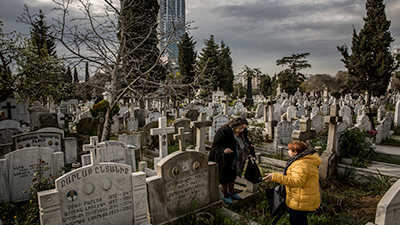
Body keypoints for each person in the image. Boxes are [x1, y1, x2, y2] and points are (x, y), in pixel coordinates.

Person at [262, 140, 321, 225]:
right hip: (302, 197)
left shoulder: (301, 164)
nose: (288, 151)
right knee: (300, 220)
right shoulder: (304, 160)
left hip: (301, 199)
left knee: (297, 221)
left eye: (289, 150)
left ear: (295, 152)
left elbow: (297, 182)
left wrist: (275, 177)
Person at [208, 117, 254, 204]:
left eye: (243, 128)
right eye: (240, 128)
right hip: (222, 157)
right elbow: (215, 145)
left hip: (235, 156)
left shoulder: (243, 131)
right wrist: (224, 149)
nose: (242, 130)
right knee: (223, 176)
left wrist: (250, 144)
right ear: (234, 126)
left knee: (232, 174)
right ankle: (224, 194)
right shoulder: (224, 131)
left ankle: (231, 192)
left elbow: (245, 140)